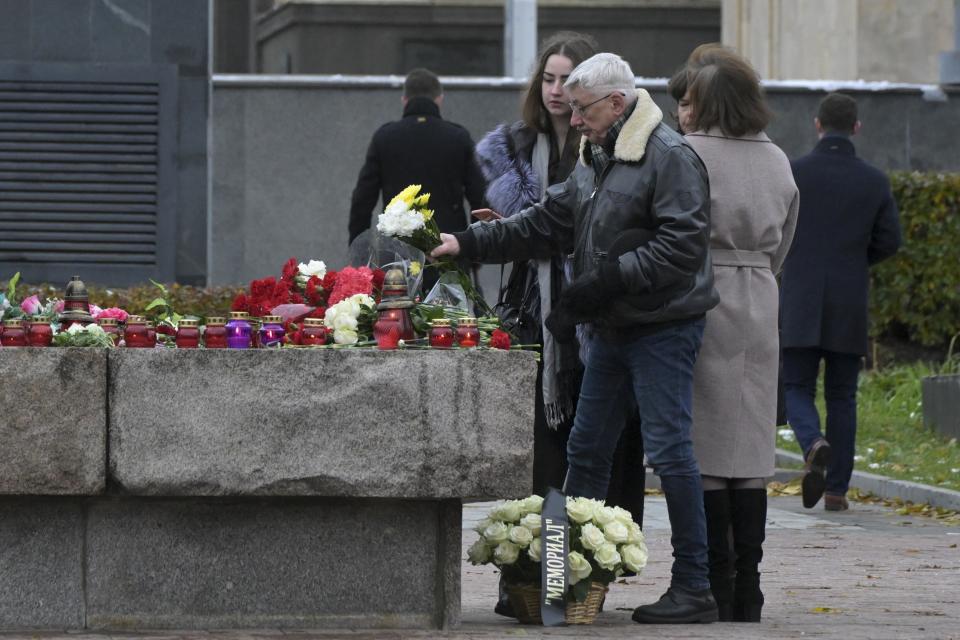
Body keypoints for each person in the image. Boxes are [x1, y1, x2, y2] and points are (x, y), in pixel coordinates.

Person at [433, 52, 720, 624]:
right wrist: (466, 243)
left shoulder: (668, 156)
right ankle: (562, 581)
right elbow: (544, 222)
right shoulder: (597, 155)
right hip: (612, 326)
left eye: (585, 107)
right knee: (587, 453)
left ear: (617, 103)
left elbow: (683, 247)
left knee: (669, 452)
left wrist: (607, 280)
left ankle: (695, 587)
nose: (574, 115)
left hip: (662, 326)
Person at [677, 44, 799, 623]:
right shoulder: (776, 159)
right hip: (760, 296)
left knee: (705, 445)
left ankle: (715, 578)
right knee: (750, 448)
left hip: (705, 293)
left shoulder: (690, 153)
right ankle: (748, 586)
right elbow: (787, 238)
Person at [781, 93, 901, 512]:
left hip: (798, 296)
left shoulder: (794, 172)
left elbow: (777, 230)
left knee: (795, 385)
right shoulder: (874, 180)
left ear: (817, 124)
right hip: (848, 300)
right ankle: (837, 491)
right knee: (843, 396)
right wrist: (853, 261)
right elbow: (891, 241)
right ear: (857, 127)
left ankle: (813, 441)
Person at [348, 68, 486, 293]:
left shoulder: (385, 137)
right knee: (449, 321)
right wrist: (474, 248)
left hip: (396, 254)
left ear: (404, 100)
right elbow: (479, 197)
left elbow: (362, 199)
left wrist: (360, 253)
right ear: (439, 98)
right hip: (448, 249)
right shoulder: (458, 137)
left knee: (396, 321)